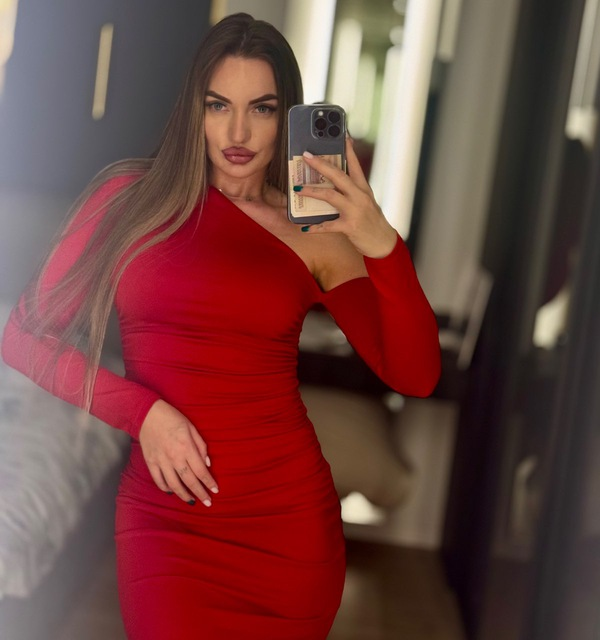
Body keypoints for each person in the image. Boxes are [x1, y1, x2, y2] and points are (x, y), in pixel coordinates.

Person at [1, 12, 440, 640]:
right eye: (218, 105)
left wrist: (381, 244)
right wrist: (143, 413)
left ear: (286, 116)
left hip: (287, 530)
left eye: (261, 109)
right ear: (194, 110)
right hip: (165, 524)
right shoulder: (126, 200)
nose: (238, 132)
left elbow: (415, 375)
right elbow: (22, 337)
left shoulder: (315, 235)